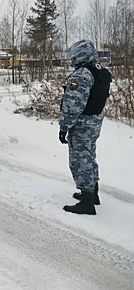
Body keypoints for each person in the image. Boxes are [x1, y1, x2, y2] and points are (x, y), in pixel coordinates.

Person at [59, 40, 112, 215]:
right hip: (95, 121)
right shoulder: (99, 71)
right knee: (89, 155)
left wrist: (64, 126)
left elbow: (73, 105)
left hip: (82, 124)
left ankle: (87, 202)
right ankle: (92, 193)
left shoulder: (81, 75)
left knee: (80, 160)